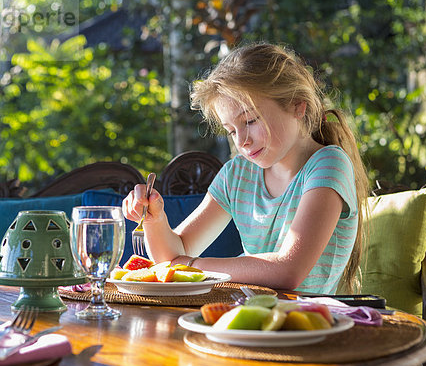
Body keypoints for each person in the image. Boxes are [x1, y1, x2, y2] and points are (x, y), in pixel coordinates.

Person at [122, 42, 369, 294]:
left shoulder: (328, 165)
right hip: (250, 321)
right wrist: (155, 219)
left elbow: (288, 272)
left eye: (250, 121)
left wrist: (193, 266)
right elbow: (173, 256)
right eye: (231, 130)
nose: (241, 141)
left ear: (297, 105)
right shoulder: (238, 174)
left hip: (309, 324)